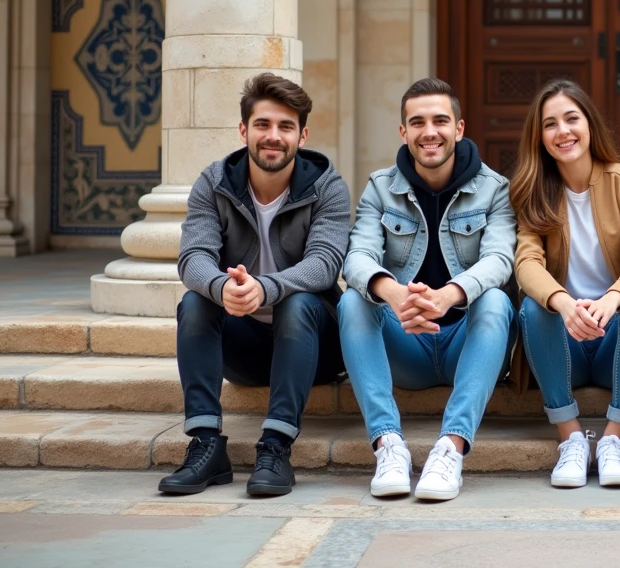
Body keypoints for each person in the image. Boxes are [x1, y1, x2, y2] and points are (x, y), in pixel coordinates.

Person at [163, 73, 350, 497]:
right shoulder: (214, 183)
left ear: (302, 136)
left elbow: (324, 265)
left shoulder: (327, 187)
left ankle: (276, 447)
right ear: (243, 130)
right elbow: (193, 258)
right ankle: (205, 445)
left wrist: (265, 288)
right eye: (263, 124)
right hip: (245, 349)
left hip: (315, 348)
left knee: (298, 303)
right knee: (195, 303)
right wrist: (220, 287)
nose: (273, 136)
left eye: (286, 127)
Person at [339, 78, 517, 502]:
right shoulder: (380, 187)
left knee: (496, 300)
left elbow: (500, 259)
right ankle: (388, 445)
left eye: (440, 120)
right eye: (417, 122)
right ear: (403, 132)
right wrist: (394, 293)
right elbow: (357, 255)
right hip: (406, 346)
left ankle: (451, 447)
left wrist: (448, 295)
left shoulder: (495, 189)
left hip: (467, 346)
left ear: (459, 128)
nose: (429, 131)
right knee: (352, 300)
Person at [512, 80, 620, 489]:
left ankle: (614, 439)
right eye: (550, 124)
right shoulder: (531, 192)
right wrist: (563, 303)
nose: (563, 131)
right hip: (564, 341)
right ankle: (571, 438)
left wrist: (612, 300)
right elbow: (526, 263)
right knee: (534, 305)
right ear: (539, 137)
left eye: (571, 119)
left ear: (589, 124)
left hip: (616, 337)